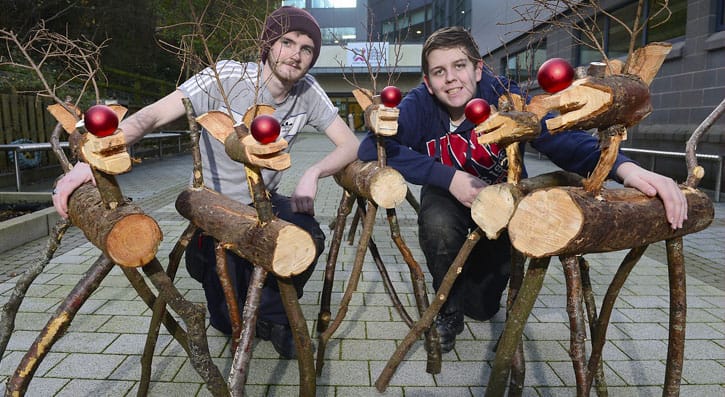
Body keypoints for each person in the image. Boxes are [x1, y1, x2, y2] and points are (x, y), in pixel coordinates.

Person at [52, 6, 360, 359]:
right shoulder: (226, 75)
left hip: (264, 202)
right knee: (227, 321)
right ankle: (216, 278)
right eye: (286, 42)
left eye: (307, 49)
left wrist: (311, 175)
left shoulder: (308, 90)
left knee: (307, 235)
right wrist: (94, 162)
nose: (296, 54)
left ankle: (275, 317)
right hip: (213, 208)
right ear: (267, 45)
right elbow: (154, 115)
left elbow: (350, 143)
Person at [358, 26, 687, 353]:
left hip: (503, 201)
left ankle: (471, 287)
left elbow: (561, 139)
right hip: (448, 196)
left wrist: (627, 169)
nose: (451, 79)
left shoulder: (505, 96)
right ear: (428, 83)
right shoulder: (420, 107)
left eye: (459, 66)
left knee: (483, 308)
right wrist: (448, 178)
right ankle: (447, 307)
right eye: (439, 72)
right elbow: (372, 150)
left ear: (478, 68)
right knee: (438, 224)